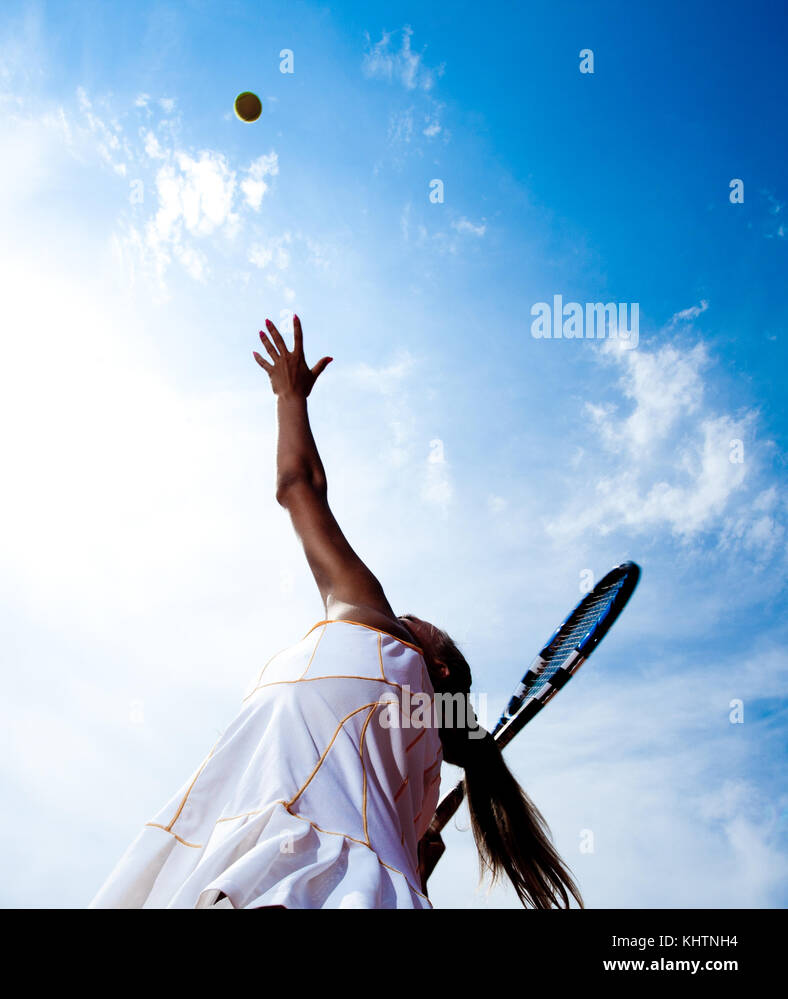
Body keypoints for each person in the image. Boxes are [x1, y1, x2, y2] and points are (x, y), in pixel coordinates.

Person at [89, 315, 582, 909]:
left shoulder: (379, 633)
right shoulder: (416, 788)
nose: (407, 615)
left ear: (437, 666)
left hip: (263, 871)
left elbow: (299, 486)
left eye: (420, 622)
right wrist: (417, 862)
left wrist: (290, 397)